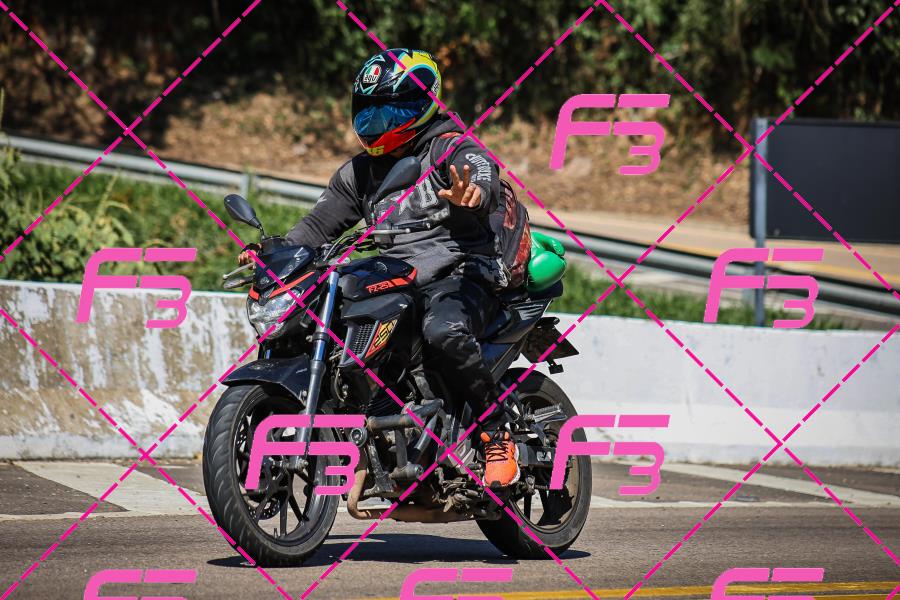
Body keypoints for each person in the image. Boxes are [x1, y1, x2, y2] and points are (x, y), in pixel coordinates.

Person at [238, 49, 519, 488]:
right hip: (398, 273)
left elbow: (481, 171)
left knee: (442, 331)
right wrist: (275, 254)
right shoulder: (360, 173)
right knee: (336, 306)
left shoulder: (450, 147)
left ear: (422, 104)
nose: (378, 121)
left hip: (463, 270)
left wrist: (475, 193)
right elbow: (317, 225)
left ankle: (496, 433)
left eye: (391, 110)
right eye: (369, 110)